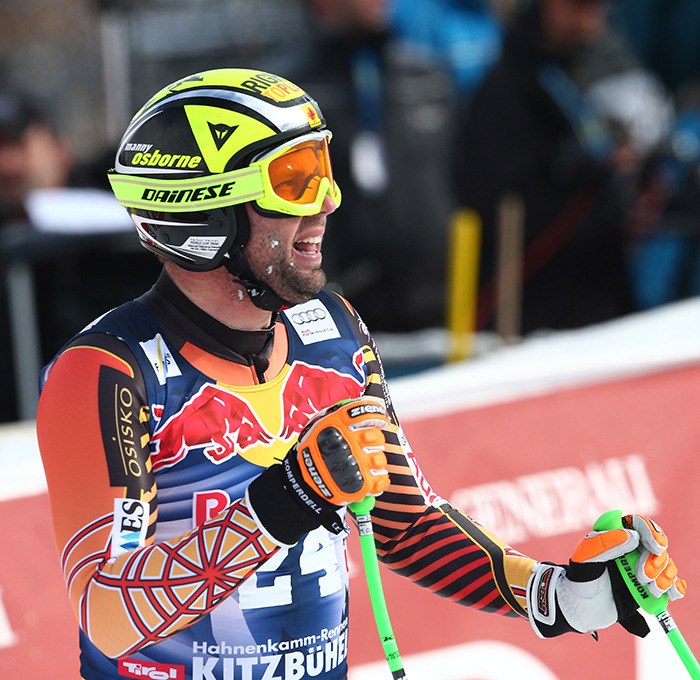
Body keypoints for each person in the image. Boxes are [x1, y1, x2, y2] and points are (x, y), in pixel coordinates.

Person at [35, 68, 686, 680]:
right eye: (293, 181)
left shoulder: (331, 330)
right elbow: (107, 612)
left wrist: (560, 595)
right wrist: (286, 501)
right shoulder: (107, 372)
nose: (326, 203)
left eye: (323, 170)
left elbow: (405, 521)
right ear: (206, 214)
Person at [451, 0, 673, 335]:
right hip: (536, 311)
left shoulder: (605, 62)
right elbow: (506, 203)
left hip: (607, 293)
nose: (591, 11)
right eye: (576, 4)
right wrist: (589, 175)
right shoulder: (508, 87)